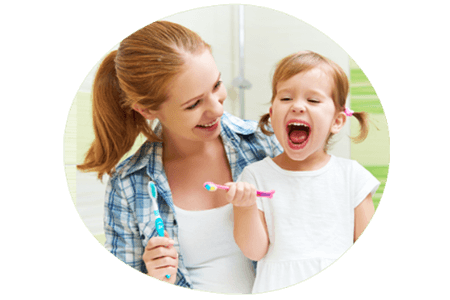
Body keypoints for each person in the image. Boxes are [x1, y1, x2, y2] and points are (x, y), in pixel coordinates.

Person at [77, 21, 282, 294]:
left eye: (217, 85)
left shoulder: (264, 144)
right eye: (194, 104)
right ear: (147, 109)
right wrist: (154, 275)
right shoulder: (128, 184)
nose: (217, 109)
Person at [223, 51, 380, 293]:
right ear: (273, 114)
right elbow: (254, 251)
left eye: (313, 101)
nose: (297, 106)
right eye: (286, 98)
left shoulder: (352, 177)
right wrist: (244, 206)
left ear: (337, 121)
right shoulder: (256, 176)